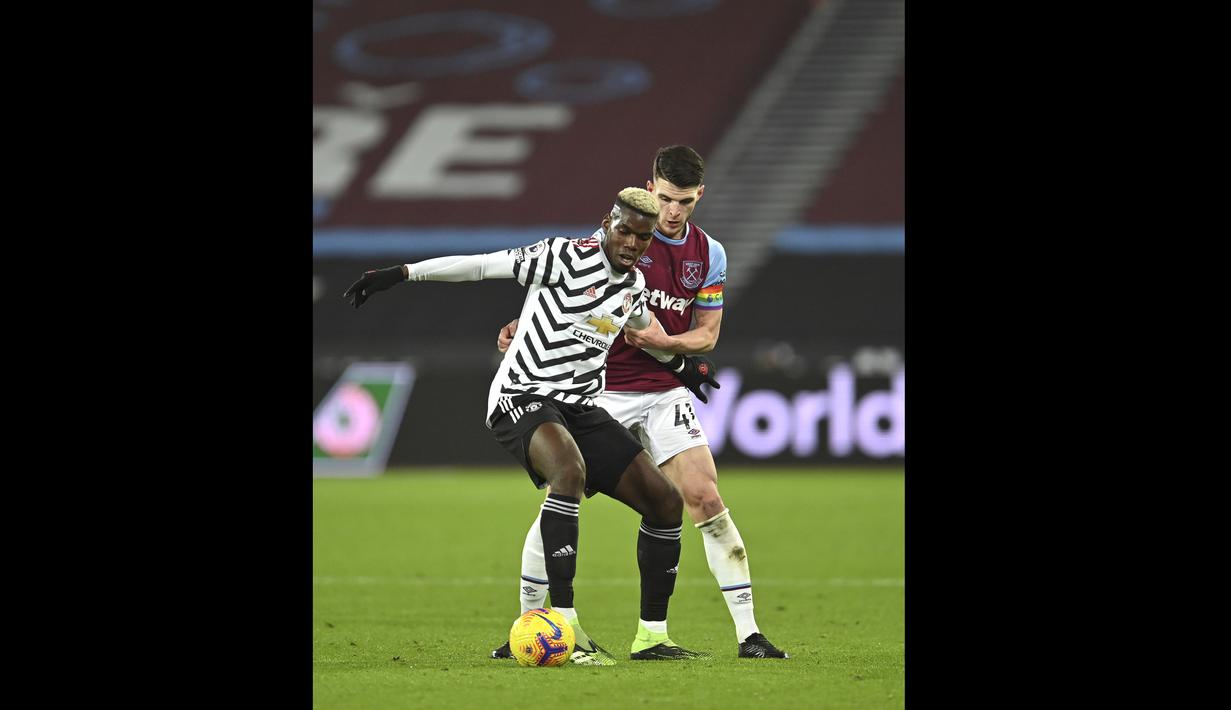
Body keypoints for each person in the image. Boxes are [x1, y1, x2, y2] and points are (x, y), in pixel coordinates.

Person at [343, 187, 709, 664]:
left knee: (664, 502)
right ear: (607, 223)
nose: (631, 244)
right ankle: (566, 627)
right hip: (521, 395)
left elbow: (646, 333)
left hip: (581, 407)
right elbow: (480, 265)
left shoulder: (633, 286)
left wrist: (683, 366)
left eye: (642, 237)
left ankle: (652, 638)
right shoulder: (561, 256)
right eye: (624, 231)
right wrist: (402, 273)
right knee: (569, 472)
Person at [492, 146, 788, 660]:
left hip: (664, 392)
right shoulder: (623, 234)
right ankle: (529, 625)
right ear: (650, 189)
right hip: (599, 391)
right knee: (561, 499)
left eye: (685, 202)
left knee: (704, 497)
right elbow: (567, 290)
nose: (673, 211)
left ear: (700, 196)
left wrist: (664, 343)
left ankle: (744, 635)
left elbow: (707, 335)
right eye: (666, 199)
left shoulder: (710, 255)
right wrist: (525, 325)